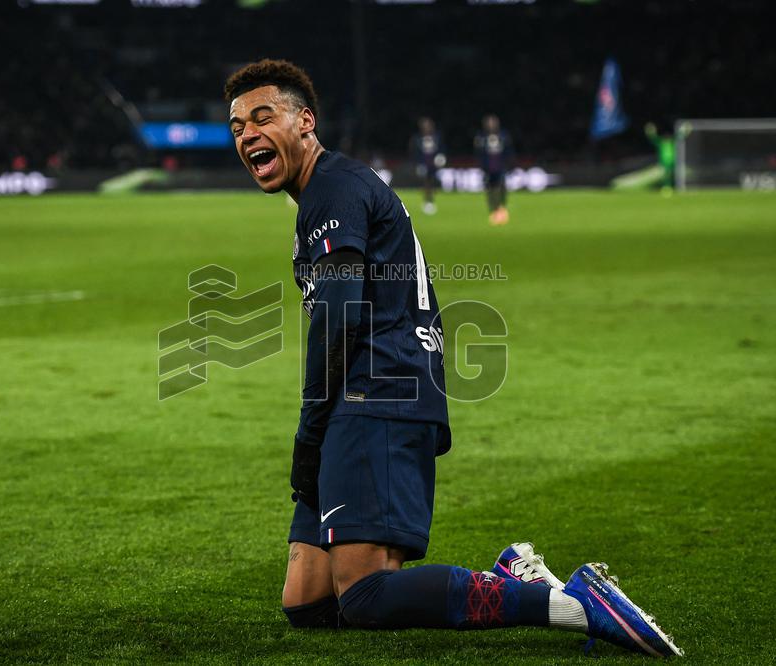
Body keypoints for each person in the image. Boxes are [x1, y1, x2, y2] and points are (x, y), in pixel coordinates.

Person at [224, 58, 681, 657]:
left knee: (361, 596)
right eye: (237, 127)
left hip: (376, 394)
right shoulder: (330, 188)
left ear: (305, 121)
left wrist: (308, 435)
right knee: (308, 604)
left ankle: (568, 605)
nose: (248, 134)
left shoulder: (333, 189)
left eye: (263, 117)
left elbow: (337, 323)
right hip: (372, 394)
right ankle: (515, 574)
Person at [474, 115, 513, 225]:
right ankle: (494, 210)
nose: (491, 125)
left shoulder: (503, 136)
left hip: (500, 167)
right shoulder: (481, 137)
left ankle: (501, 208)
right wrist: (481, 166)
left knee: (501, 187)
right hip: (487, 168)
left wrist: (509, 164)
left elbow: (509, 151)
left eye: (493, 122)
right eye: (489, 123)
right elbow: (478, 154)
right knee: (490, 190)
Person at [410, 117, 444, 215]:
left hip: (434, 163)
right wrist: (418, 164)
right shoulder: (417, 138)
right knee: (426, 181)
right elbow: (415, 152)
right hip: (423, 163)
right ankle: (427, 201)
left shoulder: (437, 137)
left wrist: (441, 157)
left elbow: (441, 149)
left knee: (432, 181)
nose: (427, 128)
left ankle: (431, 199)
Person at [644, 123, 676, 192]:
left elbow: (679, 138)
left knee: (670, 175)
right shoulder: (661, 143)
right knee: (665, 175)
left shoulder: (672, 143)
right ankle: (666, 186)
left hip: (671, 161)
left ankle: (671, 186)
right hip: (663, 161)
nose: (666, 138)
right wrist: (650, 132)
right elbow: (653, 139)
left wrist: (684, 131)